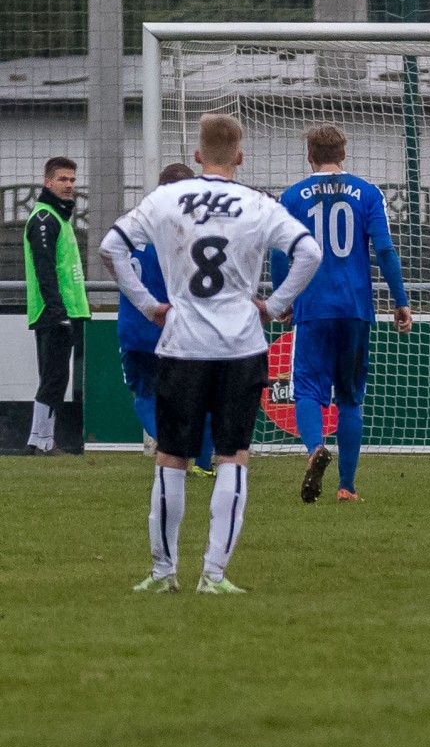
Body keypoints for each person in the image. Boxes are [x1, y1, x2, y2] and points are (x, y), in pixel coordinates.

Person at [101, 113, 322, 594]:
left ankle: (163, 573)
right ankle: (214, 576)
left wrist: (149, 305)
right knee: (233, 457)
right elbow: (309, 253)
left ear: (198, 156)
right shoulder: (258, 204)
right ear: (239, 157)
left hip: (182, 345)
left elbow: (110, 248)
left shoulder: (165, 198)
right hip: (241, 346)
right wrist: (275, 305)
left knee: (171, 458)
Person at [272, 123, 413, 504]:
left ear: (309, 156)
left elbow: (277, 252)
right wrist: (400, 300)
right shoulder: (367, 193)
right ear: (344, 155)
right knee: (350, 398)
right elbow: (384, 249)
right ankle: (347, 487)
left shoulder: (292, 197)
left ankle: (315, 448)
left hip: (313, 305)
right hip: (354, 307)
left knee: (307, 389)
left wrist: (283, 299)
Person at [117, 162, 216, 473]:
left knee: (144, 395)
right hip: (179, 327)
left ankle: (175, 452)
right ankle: (199, 461)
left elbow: (110, 257)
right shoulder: (191, 230)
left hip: (136, 328)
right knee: (203, 398)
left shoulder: (131, 225)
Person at [23, 156, 89, 456]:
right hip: (55, 312)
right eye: (63, 179)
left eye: (73, 180)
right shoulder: (43, 219)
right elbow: (45, 269)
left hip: (67, 310)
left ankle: (42, 440)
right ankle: (41, 441)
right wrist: (56, 310)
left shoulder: (58, 217)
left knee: (57, 377)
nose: (69, 186)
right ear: (47, 181)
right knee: (52, 376)